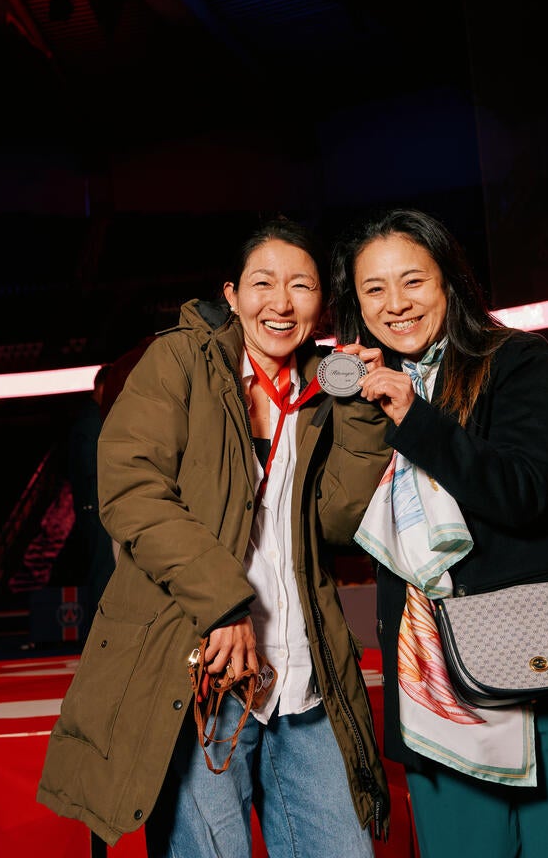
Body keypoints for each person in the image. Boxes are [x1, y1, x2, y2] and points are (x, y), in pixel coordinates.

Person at [36, 216, 392, 857]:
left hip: (302, 680)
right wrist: (223, 603)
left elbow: (337, 522)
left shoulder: (322, 388)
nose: (281, 303)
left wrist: (364, 412)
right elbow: (131, 490)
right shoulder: (177, 362)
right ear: (231, 294)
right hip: (200, 676)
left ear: (321, 302)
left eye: (301, 286)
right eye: (263, 283)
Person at [330, 206, 548, 858]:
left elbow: (519, 492)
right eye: (373, 289)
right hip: (432, 683)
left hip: (547, 673)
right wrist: (352, 422)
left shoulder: (515, 360)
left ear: (450, 284)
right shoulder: (363, 400)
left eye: (413, 281)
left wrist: (413, 414)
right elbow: (332, 523)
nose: (395, 304)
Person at [64, 363, 117, 609]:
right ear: (102, 387)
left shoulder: (89, 418)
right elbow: (92, 467)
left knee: (103, 572)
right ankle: (100, 635)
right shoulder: (91, 421)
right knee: (102, 573)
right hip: (95, 509)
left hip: (92, 507)